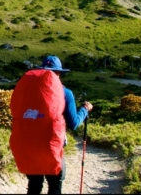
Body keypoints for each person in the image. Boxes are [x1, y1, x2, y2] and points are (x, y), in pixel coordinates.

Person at [26, 55, 93, 194]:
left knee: (34, 185)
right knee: (55, 184)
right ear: (59, 73)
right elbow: (73, 123)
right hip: (53, 145)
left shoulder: (31, 90)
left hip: (32, 143)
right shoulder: (65, 93)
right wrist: (85, 110)